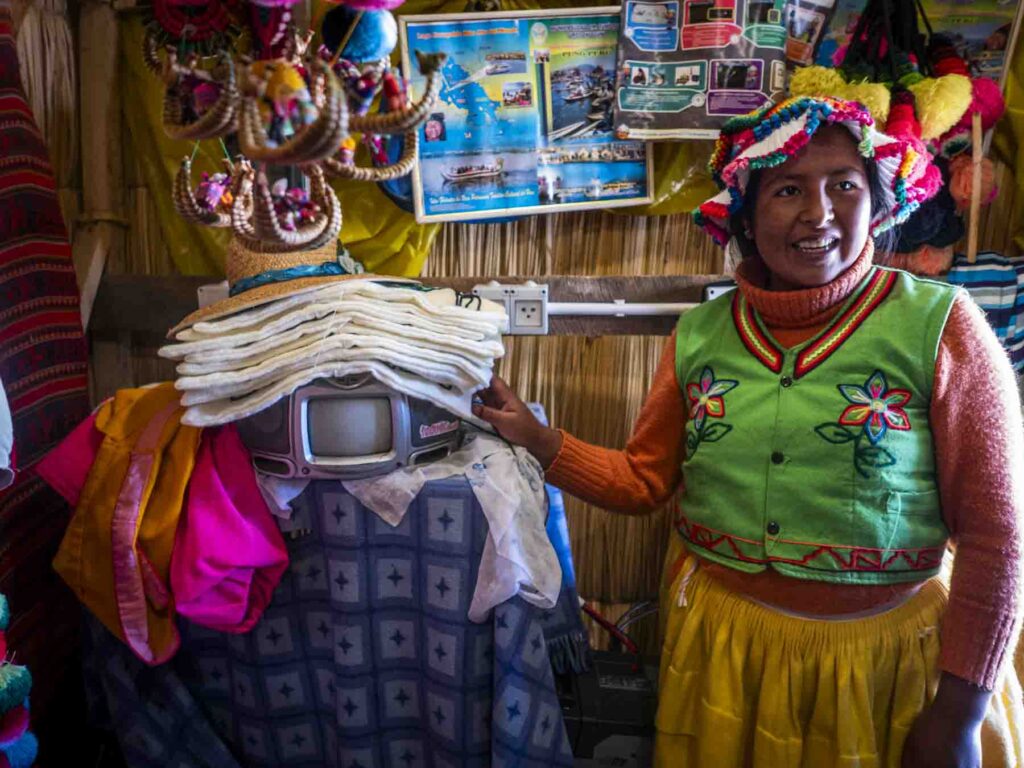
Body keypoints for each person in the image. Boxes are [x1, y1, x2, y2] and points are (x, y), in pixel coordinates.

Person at [473, 96, 1024, 767]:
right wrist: (537, 439)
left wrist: (960, 712)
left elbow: (997, 540)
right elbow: (645, 479)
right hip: (725, 654)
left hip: (884, 672)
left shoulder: (942, 327)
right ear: (746, 216)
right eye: (789, 189)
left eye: (845, 186)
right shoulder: (702, 334)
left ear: (878, 208)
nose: (818, 213)